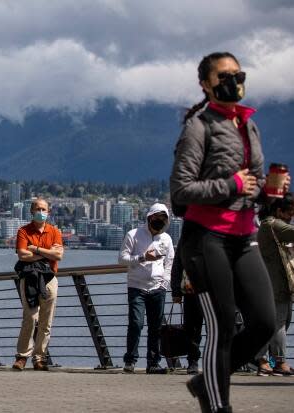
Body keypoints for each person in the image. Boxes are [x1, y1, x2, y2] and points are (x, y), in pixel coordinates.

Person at [170, 52, 290, 413]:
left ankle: (205, 379)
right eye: (223, 76)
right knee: (221, 324)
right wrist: (231, 184)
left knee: (265, 323)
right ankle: (217, 404)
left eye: (237, 74)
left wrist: (268, 194)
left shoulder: (248, 125)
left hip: (244, 236)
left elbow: (248, 188)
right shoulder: (198, 127)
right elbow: (180, 193)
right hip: (205, 238)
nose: (232, 81)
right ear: (206, 85)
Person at [118, 203, 174, 374]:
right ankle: (130, 360)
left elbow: (169, 262)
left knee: (156, 326)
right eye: (157, 218)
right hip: (136, 286)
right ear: (150, 218)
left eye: (163, 219)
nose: (160, 222)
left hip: (158, 288)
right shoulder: (133, 235)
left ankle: (153, 362)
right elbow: (122, 259)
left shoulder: (167, 239)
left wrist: (165, 283)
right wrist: (142, 257)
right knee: (136, 323)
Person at [12, 198, 64, 371]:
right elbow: (22, 255)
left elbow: (58, 256)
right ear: (31, 211)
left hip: (50, 279)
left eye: (44, 209)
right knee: (30, 317)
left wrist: (35, 249)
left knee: (46, 321)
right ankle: (22, 356)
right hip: (29, 278)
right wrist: (47, 254)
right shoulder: (23, 231)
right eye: (37, 209)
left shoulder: (54, 231)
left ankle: (39, 357)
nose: (40, 212)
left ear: (48, 212)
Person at [255, 193, 294, 376]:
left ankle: (267, 360)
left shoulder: (271, 226)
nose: (291, 217)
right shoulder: (271, 224)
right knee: (277, 323)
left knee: (282, 322)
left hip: (282, 284)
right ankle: (276, 361)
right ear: (279, 210)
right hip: (274, 284)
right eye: (290, 213)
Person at [171, 246, 203, 375]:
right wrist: (176, 291)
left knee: (216, 329)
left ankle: (218, 361)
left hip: (214, 291)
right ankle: (193, 361)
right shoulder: (186, 240)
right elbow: (177, 266)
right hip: (192, 291)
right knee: (192, 329)